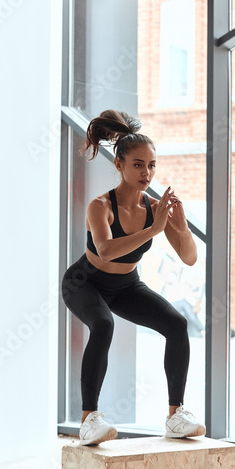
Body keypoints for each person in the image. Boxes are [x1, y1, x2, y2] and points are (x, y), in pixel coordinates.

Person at [61, 110, 206, 446]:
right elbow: (107, 250)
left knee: (176, 323)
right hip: (84, 281)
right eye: (138, 164)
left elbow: (189, 257)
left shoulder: (156, 209)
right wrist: (155, 229)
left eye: (152, 165)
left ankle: (175, 416)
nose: (147, 172)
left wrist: (180, 227)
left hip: (126, 286)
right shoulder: (101, 206)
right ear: (119, 166)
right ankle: (89, 420)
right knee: (103, 324)